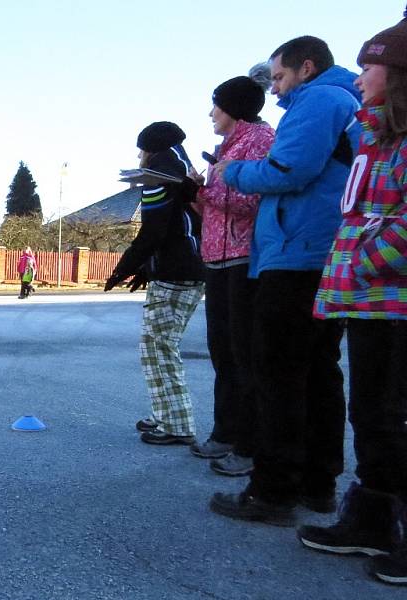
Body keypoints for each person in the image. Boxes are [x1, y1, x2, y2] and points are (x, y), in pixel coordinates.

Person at [208, 37, 362, 525]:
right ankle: (318, 485)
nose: (273, 91)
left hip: (298, 252)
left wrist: (232, 172)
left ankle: (272, 490)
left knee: (278, 372)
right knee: (318, 372)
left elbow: (288, 169)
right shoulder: (347, 101)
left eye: (278, 78)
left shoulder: (319, 99)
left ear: (306, 68)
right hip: (321, 250)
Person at [297, 9, 407, 586]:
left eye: (372, 66)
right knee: (372, 413)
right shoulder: (375, 136)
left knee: (394, 414)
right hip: (368, 300)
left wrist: (364, 260)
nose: (361, 76)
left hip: (394, 299)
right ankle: (370, 519)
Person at [189, 65, 276, 476]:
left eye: (216, 107)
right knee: (221, 352)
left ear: (233, 109)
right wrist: (194, 195)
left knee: (244, 356)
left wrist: (209, 192)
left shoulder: (261, 140)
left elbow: (252, 202)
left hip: (244, 260)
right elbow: (216, 206)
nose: (210, 114)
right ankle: (224, 432)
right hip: (216, 260)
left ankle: (247, 445)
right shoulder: (224, 148)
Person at [105, 121, 206, 445]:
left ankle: (177, 424)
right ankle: (165, 414)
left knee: (159, 347)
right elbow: (178, 226)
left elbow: (154, 231)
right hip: (185, 269)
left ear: (151, 149)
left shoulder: (158, 176)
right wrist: (146, 270)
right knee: (157, 347)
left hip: (176, 274)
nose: (138, 155)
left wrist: (122, 269)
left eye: (141, 148)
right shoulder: (183, 171)